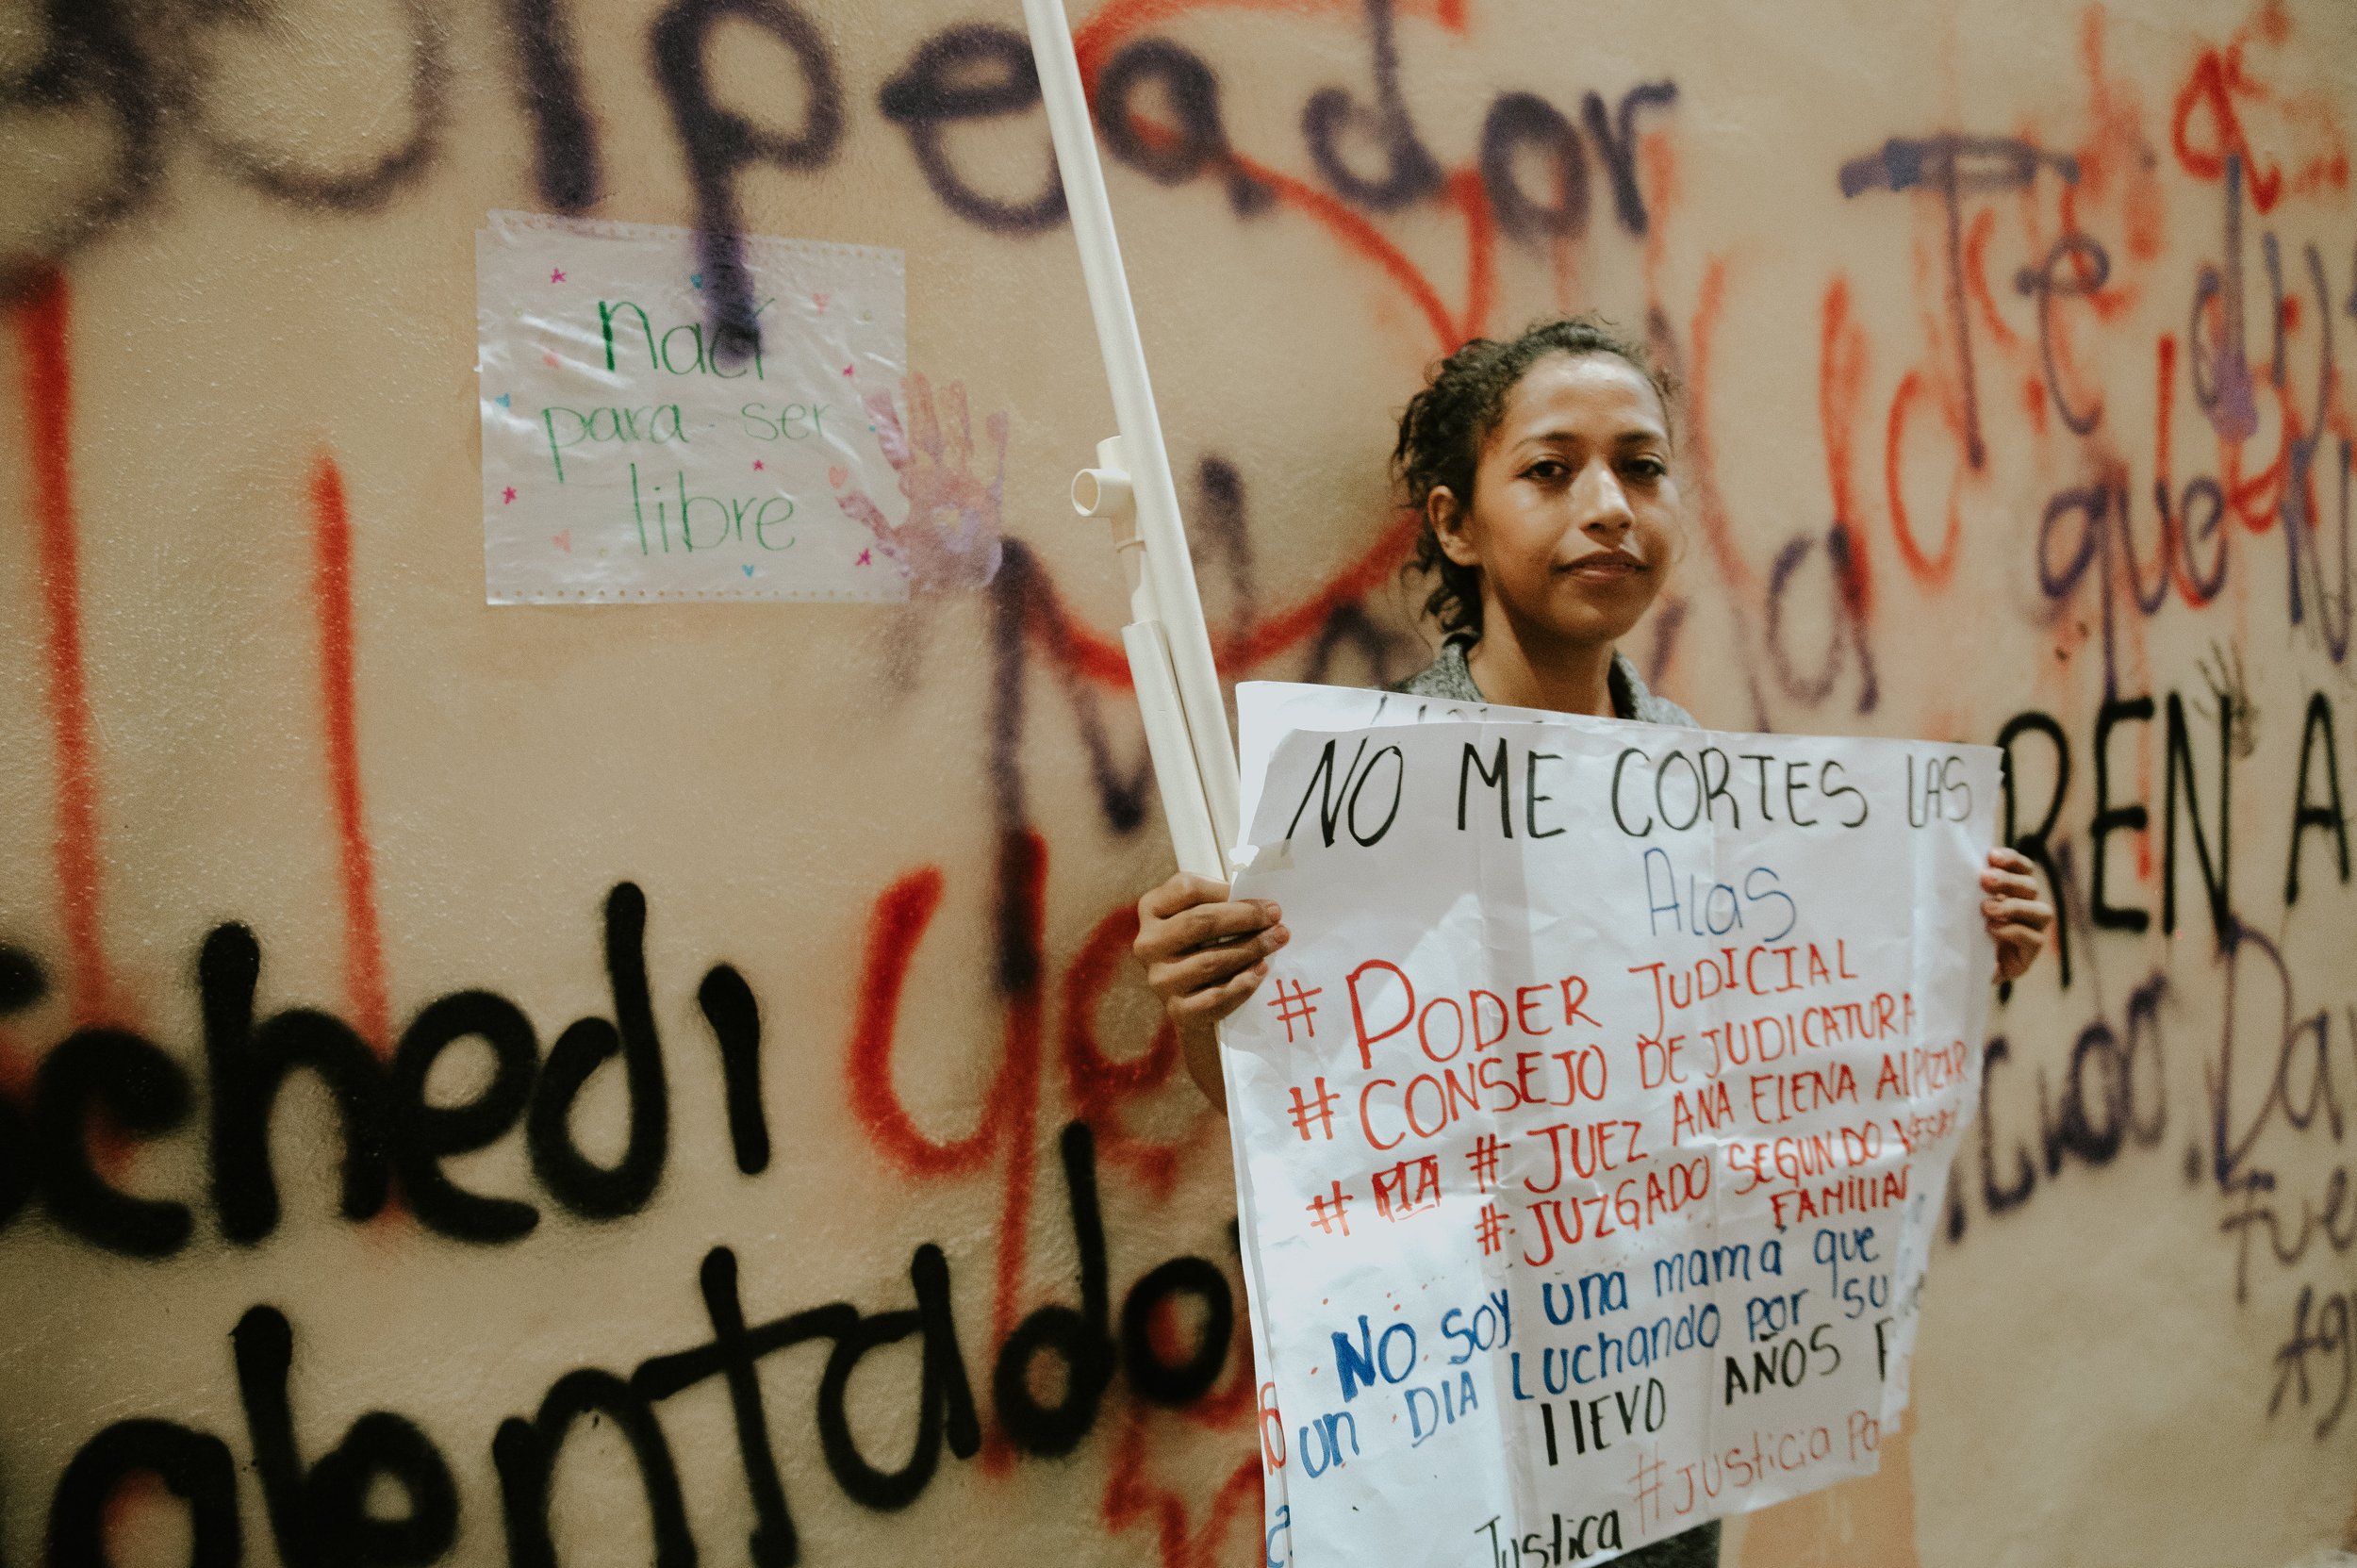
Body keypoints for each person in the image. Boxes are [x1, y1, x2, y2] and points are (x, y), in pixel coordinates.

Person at [1130, 316, 2054, 1567]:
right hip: (1444, 1410)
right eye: (1552, 470)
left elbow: (1765, 1052)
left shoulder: (1696, 772)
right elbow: (1285, 1101)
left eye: (1643, 466)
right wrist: (1207, 1000)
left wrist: (1953, 956)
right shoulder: (1358, 797)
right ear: (1457, 524)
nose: (1609, 506)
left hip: (1656, 1392)